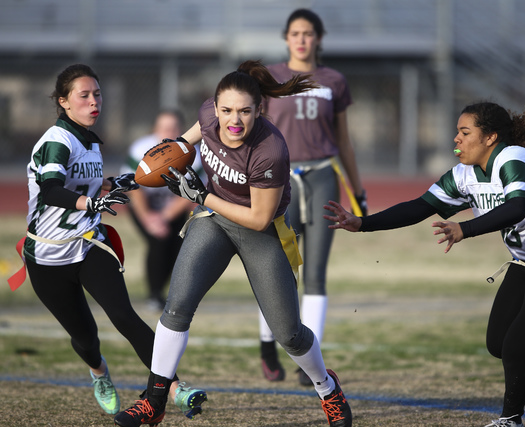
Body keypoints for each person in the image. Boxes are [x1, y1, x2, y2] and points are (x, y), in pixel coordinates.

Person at [323, 101, 525, 427]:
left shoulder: (515, 159)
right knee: (498, 344)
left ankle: (510, 420)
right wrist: (363, 223)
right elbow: (420, 206)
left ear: (490, 137)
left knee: (516, 346)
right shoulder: (464, 175)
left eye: (464, 132)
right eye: (457, 132)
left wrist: (465, 229)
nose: (456, 139)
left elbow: (519, 207)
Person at [114, 60, 353, 427]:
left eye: (244, 111)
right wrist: (140, 176)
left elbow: (258, 218)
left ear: (259, 109)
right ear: (215, 106)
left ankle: (327, 388)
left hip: (262, 230)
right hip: (215, 222)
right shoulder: (209, 114)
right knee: (177, 306)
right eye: (226, 110)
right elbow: (182, 143)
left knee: (288, 332)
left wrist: (200, 196)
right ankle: (156, 400)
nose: (234, 120)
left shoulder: (270, 148)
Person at [23, 64, 207, 420]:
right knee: (86, 338)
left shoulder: (89, 140)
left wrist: (112, 184)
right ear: (63, 102)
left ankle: (174, 387)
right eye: (84, 95)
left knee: (125, 316)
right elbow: (50, 190)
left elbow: (84, 185)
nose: (94, 102)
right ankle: (98, 372)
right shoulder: (56, 141)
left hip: (89, 244)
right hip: (47, 255)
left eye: (98, 94)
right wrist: (90, 202)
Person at [259, 8, 368, 386]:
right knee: (279, 269)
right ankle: (267, 343)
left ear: (318, 38)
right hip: (280, 179)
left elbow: (344, 142)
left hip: (323, 176)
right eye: (295, 33)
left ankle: (310, 360)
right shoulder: (270, 77)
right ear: (286, 37)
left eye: (308, 33)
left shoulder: (333, 80)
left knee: (316, 272)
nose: (302, 39)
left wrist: (358, 191)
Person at [121, 110, 200, 311]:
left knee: (176, 248)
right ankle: (154, 295)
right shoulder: (141, 148)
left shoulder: (192, 153)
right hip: (144, 207)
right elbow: (133, 188)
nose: (169, 131)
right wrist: (149, 218)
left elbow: (190, 194)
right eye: (164, 127)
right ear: (155, 129)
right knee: (157, 241)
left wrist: (164, 217)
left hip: (172, 208)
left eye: (174, 127)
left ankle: (165, 293)